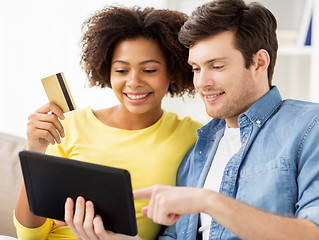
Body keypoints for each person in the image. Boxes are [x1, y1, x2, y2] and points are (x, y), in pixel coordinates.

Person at [132, 0, 319, 239]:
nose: (201, 82)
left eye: (217, 66)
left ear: (259, 62)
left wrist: (208, 200)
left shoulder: (318, 126)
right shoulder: (199, 149)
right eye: (196, 69)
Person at [13, 5, 202, 240]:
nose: (133, 82)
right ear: (107, 72)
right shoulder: (68, 125)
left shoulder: (194, 135)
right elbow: (28, 235)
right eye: (122, 70)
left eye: (149, 69)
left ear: (173, 71)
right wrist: (36, 154)